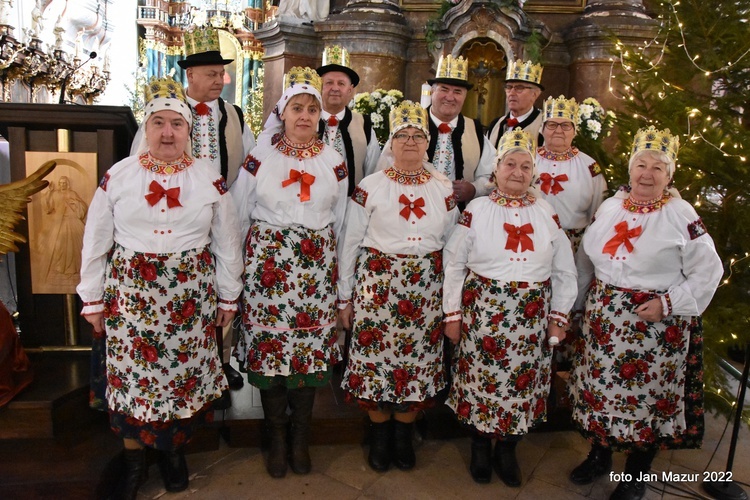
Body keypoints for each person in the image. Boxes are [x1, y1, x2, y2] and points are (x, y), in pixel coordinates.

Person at [77, 77, 243, 498]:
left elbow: (227, 242)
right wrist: (92, 298)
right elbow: (95, 242)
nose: (168, 133)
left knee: (180, 379)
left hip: (189, 298)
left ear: (189, 130)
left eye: (177, 124)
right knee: (136, 382)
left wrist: (228, 294)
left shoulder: (209, 178)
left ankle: (173, 453)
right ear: (145, 129)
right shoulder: (118, 176)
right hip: (132, 297)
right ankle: (134, 461)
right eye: (158, 123)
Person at [568, 126, 723, 500]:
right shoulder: (610, 207)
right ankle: (599, 455)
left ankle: (637, 473)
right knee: (601, 390)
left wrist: (667, 305)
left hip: (654, 321)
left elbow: (709, 270)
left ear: (670, 175)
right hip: (605, 320)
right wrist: (578, 306)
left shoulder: (681, 214)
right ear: (630, 167)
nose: (647, 174)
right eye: (641, 164)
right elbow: (587, 260)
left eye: (658, 167)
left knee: (647, 396)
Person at [229, 67, 348, 479]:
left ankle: (301, 438)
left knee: (308, 354)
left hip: (315, 269)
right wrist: (240, 269)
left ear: (320, 117)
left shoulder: (334, 161)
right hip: (269, 268)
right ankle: (277, 438)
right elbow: (239, 213)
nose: (304, 115)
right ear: (282, 113)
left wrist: (338, 275)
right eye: (297, 107)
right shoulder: (260, 157)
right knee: (272, 350)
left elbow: (342, 218)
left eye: (312, 110)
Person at [442, 128, 577, 487]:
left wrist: (559, 318)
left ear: (534, 173)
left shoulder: (546, 212)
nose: (517, 172)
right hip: (484, 314)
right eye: (510, 164)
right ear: (496, 169)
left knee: (520, 386)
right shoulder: (477, 209)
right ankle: (480, 447)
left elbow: (564, 269)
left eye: (525, 166)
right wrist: (452, 317)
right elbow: (454, 265)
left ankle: (508, 449)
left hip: (531, 318)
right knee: (480, 383)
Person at [337, 101, 459, 472]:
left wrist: (450, 301)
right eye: (402, 136)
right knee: (376, 363)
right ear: (390, 143)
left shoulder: (443, 188)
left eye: (417, 136)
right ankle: (379, 435)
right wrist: (345, 297)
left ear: (428, 144)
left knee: (417, 363)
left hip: (425, 291)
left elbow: (454, 247)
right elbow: (349, 244)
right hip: (377, 288)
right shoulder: (370, 187)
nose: (410, 142)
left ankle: (403, 435)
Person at [176, 26, 256, 397]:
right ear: (189, 75)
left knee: (225, 282)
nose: (219, 79)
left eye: (221, 73)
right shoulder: (169, 113)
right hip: (181, 218)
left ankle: (222, 365)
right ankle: (187, 364)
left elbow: (250, 165)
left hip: (225, 215)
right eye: (211, 73)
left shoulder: (235, 113)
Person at [416, 54, 495, 204]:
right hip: (414, 212)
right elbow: (387, 166)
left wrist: (474, 189)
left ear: (465, 97)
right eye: (444, 89)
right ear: (432, 91)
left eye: (457, 92)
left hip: (457, 216)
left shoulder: (475, 131)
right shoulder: (412, 124)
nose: (450, 97)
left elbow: (490, 174)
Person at [534, 96, 607, 253]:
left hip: (573, 246)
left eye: (566, 126)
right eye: (552, 125)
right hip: (531, 241)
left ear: (575, 131)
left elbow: (598, 212)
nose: (559, 130)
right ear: (542, 128)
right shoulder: (527, 161)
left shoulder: (589, 166)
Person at [316, 45, 381, 196]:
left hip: (350, 207)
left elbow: (373, 170)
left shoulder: (363, 125)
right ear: (320, 87)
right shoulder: (306, 122)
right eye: (329, 83)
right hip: (311, 206)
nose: (335, 88)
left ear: (350, 90)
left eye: (341, 83)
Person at [487, 59, 544, 150]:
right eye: (509, 87)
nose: (512, 93)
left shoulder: (543, 126)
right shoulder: (496, 124)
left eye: (519, 88)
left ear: (535, 94)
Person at [45, 176, 87, 280]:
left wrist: (75, 203)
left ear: (67, 184)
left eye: (64, 183)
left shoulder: (72, 193)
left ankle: (72, 269)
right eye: (60, 183)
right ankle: (60, 268)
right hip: (60, 222)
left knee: (72, 246)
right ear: (58, 184)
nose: (62, 185)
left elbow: (83, 206)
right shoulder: (55, 194)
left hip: (72, 221)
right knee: (60, 246)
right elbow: (48, 209)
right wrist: (49, 193)